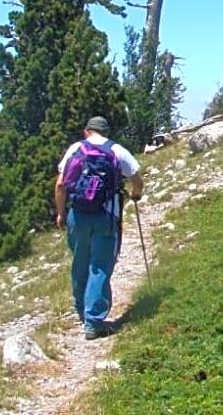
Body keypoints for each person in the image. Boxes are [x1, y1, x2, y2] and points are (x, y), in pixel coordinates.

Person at [55, 116, 144, 339]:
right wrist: (136, 194)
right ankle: (93, 321)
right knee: (100, 266)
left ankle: (82, 312)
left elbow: (60, 184)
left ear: (87, 131)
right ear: (106, 132)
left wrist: (61, 213)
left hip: (78, 214)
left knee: (80, 261)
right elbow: (137, 179)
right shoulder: (117, 150)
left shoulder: (76, 148)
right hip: (107, 216)